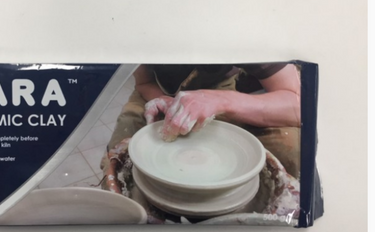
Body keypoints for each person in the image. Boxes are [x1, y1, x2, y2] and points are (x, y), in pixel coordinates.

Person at [104, 63, 301, 178]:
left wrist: (220, 100)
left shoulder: (245, 24)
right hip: (158, 89)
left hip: (219, 87)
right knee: (119, 159)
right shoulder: (138, 26)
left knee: (288, 148)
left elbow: (298, 104)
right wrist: (167, 102)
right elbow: (144, 82)